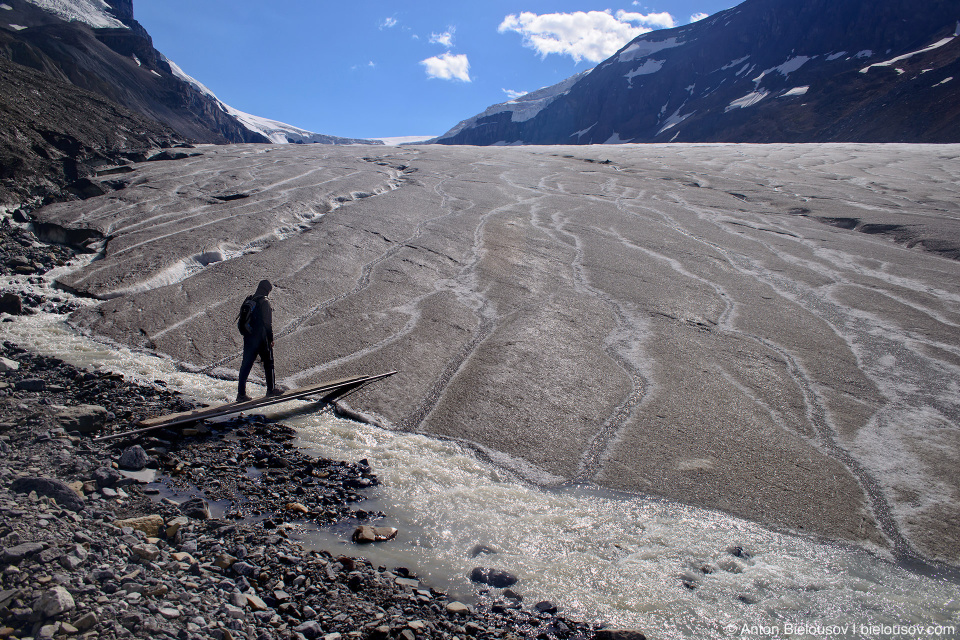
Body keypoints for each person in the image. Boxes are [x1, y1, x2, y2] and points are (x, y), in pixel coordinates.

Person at [236, 279, 282, 401]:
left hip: (248, 338)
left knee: (245, 365)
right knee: (269, 363)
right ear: (267, 289)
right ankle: (270, 390)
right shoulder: (264, 302)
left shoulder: (249, 300)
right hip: (261, 339)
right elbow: (268, 323)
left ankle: (241, 394)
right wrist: (270, 338)